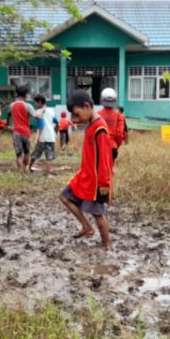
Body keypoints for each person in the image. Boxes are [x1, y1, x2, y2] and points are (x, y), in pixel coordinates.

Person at [59, 90, 113, 249]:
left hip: (97, 181)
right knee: (65, 196)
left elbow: (104, 158)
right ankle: (86, 227)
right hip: (85, 176)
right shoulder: (91, 126)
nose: (75, 119)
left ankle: (106, 244)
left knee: (98, 214)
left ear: (87, 106)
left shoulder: (100, 129)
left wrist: (104, 183)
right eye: (73, 116)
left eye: (76, 114)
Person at [9, 86, 38, 174]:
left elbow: (10, 115)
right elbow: (36, 116)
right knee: (27, 152)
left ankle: (21, 172)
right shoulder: (28, 106)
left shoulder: (12, 105)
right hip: (25, 132)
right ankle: (25, 169)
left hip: (16, 132)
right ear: (25, 95)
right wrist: (43, 111)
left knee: (18, 154)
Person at [28, 95, 57, 174]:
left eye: (36, 103)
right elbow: (57, 121)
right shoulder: (51, 110)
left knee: (36, 153)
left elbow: (41, 125)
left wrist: (37, 138)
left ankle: (29, 168)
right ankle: (48, 172)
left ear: (40, 102)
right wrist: (55, 131)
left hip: (42, 137)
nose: (35, 104)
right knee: (49, 156)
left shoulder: (38, 112)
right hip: (51, 137)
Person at [97, 88, 126, 161]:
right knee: (109, 170)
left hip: (98, 147)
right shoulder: (119, 116)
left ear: (102, 99)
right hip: (112, 147)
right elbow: (119, 134)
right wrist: (116, 146)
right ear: (115, 100)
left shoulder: (97, 115)